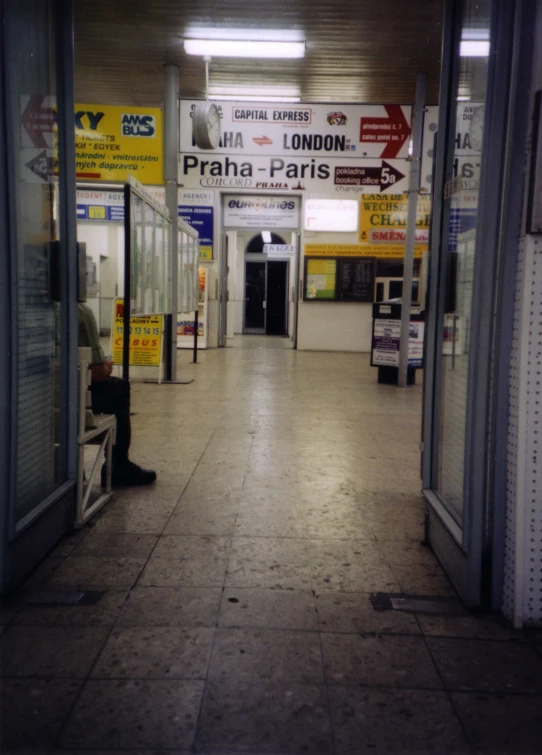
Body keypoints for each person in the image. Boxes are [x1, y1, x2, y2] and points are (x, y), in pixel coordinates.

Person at [78, 302, 157, 487]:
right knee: (119, 387)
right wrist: (107, 365)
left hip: (42, 402)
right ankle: (117, 466)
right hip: (77, 401)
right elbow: (98, 374)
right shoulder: (80, 312)